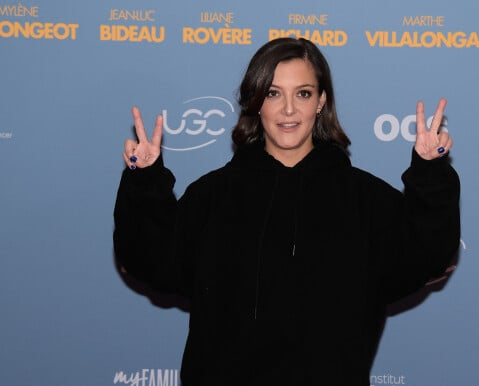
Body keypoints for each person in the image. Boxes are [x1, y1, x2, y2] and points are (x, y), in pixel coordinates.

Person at [114, 37, 460, 386]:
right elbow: (154, 261)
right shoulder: (213, 196)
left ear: (321, 101)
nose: (289, 109)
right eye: (273, 93)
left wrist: (430, 172)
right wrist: (145, 181)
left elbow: (423, 256)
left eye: (303, 93)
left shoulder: (364, 199)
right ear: (255, 101)